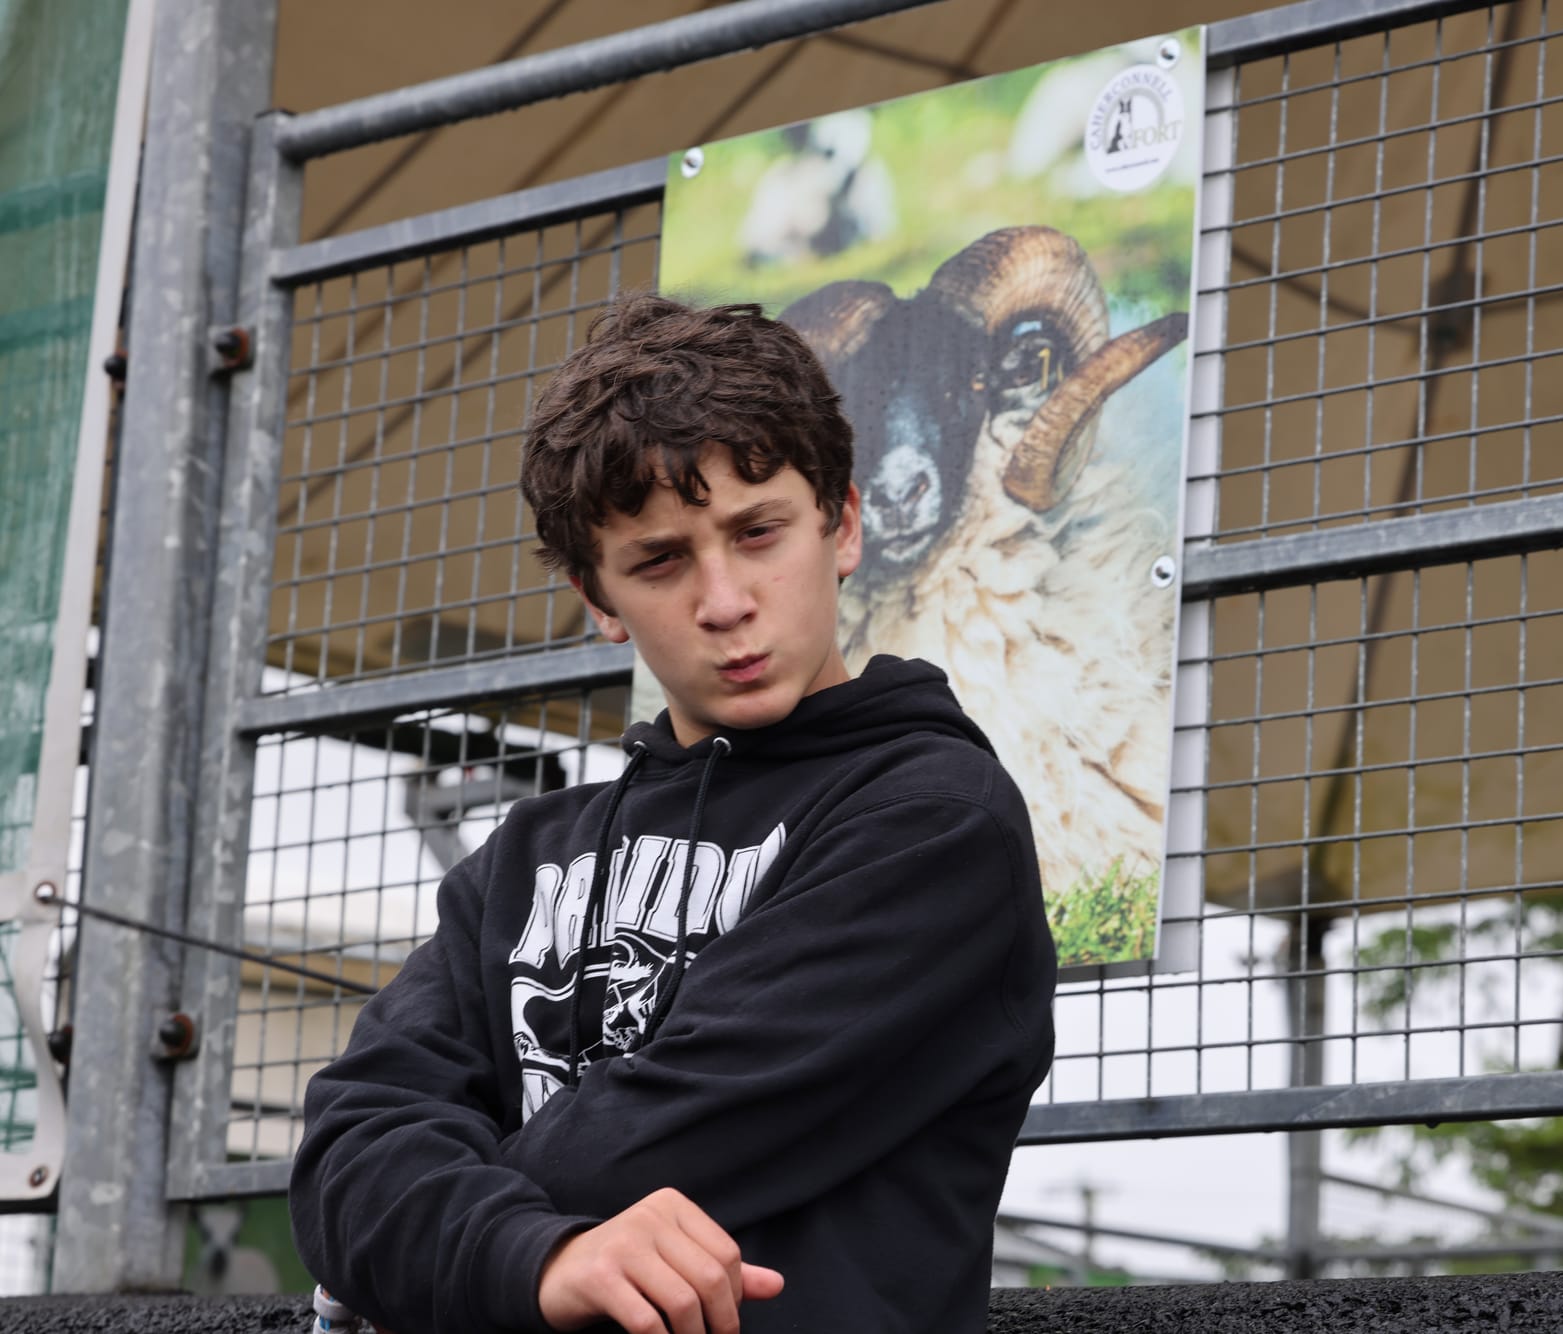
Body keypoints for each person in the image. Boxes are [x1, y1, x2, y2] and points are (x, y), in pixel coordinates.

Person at [289, 295, 1058, 1334]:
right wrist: (535, 1255)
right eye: (659, 560)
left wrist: (421, 1250)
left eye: (757, 532)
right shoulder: (521, 860)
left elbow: (643, 1143)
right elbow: (346, 1151)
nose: (724, 600)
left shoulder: (935, 820)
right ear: (598, 598)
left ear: (841, 524)